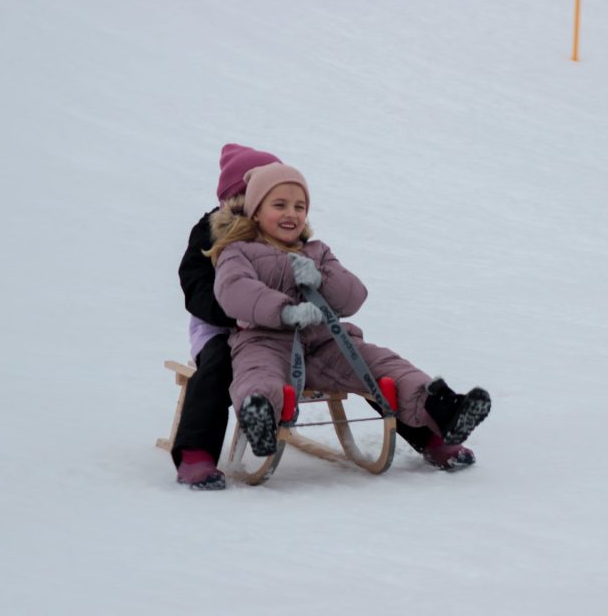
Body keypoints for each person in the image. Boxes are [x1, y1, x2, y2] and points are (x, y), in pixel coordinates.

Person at [172, 145, 463, 491]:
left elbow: (343, 289)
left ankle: (431, 431)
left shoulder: (300, 240)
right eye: (266, 197)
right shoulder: (213, 232)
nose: (284, 210)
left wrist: (315, 291)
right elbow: (199, 286)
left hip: (303, 331)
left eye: (291, 201)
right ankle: (196, 452)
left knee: (357, 360)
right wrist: (249, 314)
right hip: (224, 326)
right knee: (219, 366)